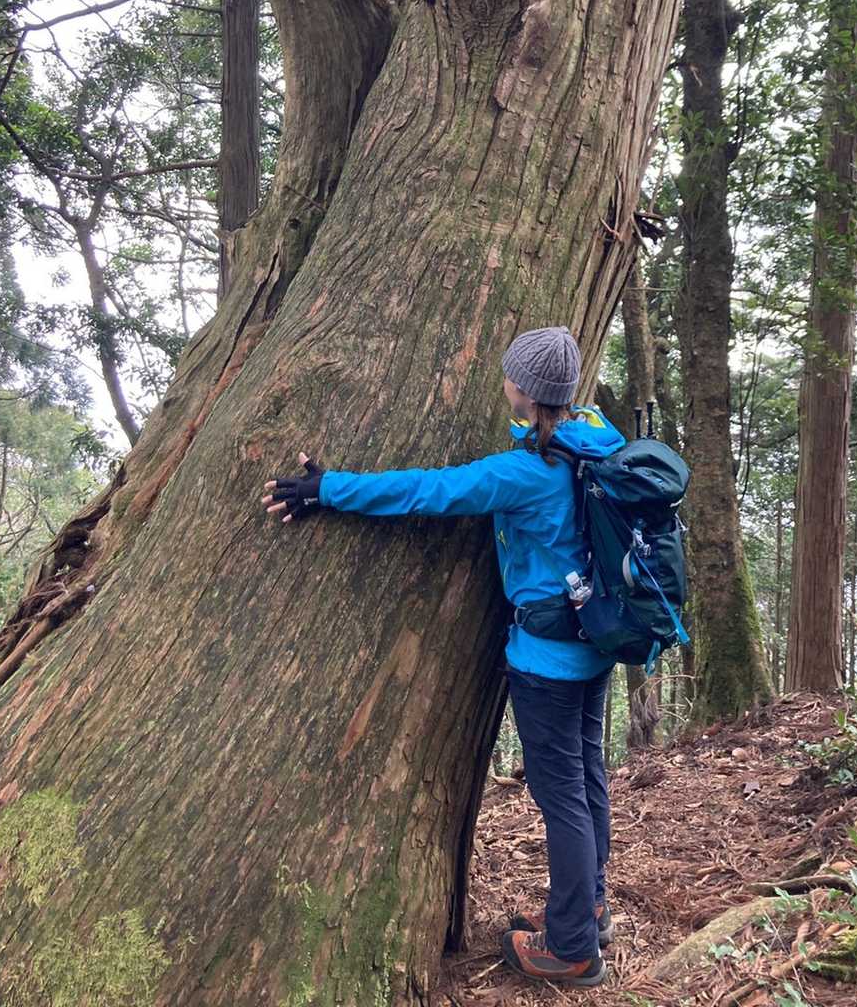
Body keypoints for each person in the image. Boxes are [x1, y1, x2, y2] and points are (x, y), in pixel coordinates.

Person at [262, 326, 623, 986]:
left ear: (522, 389)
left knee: (563, 796)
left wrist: (326, 489)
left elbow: (428, 490)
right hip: (596, 643)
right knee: (586, 777)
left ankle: (573, 946)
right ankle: (588, 909)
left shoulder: (525, 473)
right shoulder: (596, 439)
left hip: (547, 661)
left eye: (510, 373)